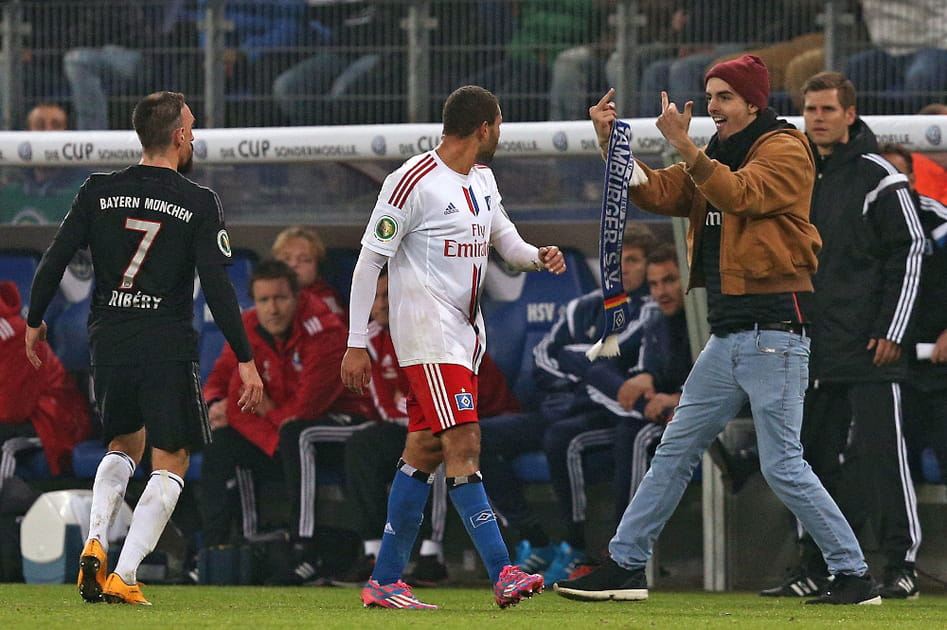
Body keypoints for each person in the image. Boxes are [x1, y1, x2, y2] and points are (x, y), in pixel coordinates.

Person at [556, 54, 878, 606]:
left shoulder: (784, 148)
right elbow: (658, 191)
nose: (711, 106)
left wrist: (684, 146)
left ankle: (854, 574)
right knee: (674, 452)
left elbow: (741, 195)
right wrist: (611, 143)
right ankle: (627, 566)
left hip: (775, 331)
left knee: (783, 465)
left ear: (754, 101)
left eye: (724, 96)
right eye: (709, 96)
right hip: (729, 336)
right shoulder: (717, 154)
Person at [24, 91, 264, 605]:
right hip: (166, 340)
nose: (194, 135)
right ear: (178, 135)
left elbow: (56, 256)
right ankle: (126, 573)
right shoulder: (198, 201)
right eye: (192, 127)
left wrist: (35, 318)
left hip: (107, 337)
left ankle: (94, 542)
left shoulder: (96, 191)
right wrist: (245, 357)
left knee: (121, 444)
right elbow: (218, 288)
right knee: (170, 458)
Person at [340, 85, 566, 609]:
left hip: (464, 336)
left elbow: (505, 241)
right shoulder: (410, 182)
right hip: (428, 335)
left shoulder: (483, 180)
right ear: (485, 126)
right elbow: (368, 262)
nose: (500, 135)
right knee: (465, 444)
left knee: (422, 450)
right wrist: (356, 343)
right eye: (500, 125)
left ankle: (385, 580)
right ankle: (503, 571)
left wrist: (538, 256)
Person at [759, 72, 925, 601]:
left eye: (829, 109)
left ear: (850, 114)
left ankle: (902, 565)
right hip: (814, 346)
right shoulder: (798, 175)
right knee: (807, 458)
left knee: (883, 454)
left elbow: (913, 250)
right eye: (811, 109)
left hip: (871, 346)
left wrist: (892, 330)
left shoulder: (880, 176)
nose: (819, 118)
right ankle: (816, 564)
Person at [482, 223, 657, 582]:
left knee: (563, 436)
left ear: (648, 266)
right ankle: (534, 538)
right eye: (617, 259)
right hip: (557, 406)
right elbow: (545, 356)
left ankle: (574, 546)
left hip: (605, 415)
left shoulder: (649, 312)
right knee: (473, 436)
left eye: (634, 260)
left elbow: (615, 367)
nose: (623, 267)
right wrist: (577, 380)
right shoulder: (582, 306)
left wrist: (583, 378)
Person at [342, 269, 521, 587]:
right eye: (376, 297)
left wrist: (534, 258)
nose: (381, 304)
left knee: (444, 443)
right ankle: (382, 567)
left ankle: (426, 558)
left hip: (487, 418)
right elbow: (384, 404)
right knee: (402, 443)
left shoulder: (435, 331)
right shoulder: (371, 339)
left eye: (388, 296)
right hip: (427, 419)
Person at [201, 258, 374, 585]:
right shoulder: (248, 326)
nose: (273, 309)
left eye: (280, 298)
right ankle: (219, 548)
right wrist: (216, 404)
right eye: (264, 300)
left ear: (297, 296)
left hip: (346, 425)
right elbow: (227, 386)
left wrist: (265, 413)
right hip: (282, 434)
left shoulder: (325, 331)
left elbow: (306, 409)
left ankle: (303, 548)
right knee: (222, 442)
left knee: (298, 433)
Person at [877, 143, 947, 487]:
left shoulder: (937, 218)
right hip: (886, 368)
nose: (893, 184)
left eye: (899, 175)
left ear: (915, 178)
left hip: (938, 364)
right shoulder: (861, 222)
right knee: (892, 467)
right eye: (885, 175)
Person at [1, 281, 91, 491]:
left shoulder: (16, 337)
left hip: (58, 422)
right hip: (24, 419)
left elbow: (11, 410)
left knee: (4, 441)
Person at [0, 103, 90, 225]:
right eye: (40, 126)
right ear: (26, 134)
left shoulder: (83, 194)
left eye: (56, 126)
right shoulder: (7, 195)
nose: (48, 133)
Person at [271, 225, 345, 316]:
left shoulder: (326, 301)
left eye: (304, 260)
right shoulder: (265, 295)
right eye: (286, 259)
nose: (294, 264)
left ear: (317, 268)